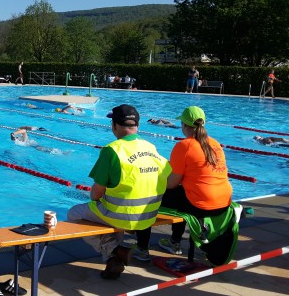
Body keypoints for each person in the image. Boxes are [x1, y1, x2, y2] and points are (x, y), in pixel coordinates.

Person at [67, 104, 171, 279]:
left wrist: (95, 200)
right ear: (137, 126)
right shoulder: (151, 147)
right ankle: (113, 260)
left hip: (123, 217)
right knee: (116, 210)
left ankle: (114, 250)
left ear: (114, 125)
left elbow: (97, 192)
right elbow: (168, 178)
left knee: (74, 214)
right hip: (148, 216)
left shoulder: (112, 150)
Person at [155, 106, 233, 258]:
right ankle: (200, 228)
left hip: (201, 204)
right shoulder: (215, 143)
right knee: (184, 193)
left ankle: (171, 242)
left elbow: (171, 184)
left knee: (163, 194)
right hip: (225, 201)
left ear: (184, 125)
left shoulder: (184, 146)